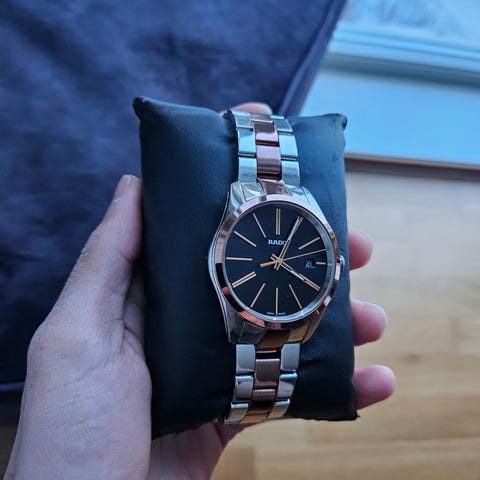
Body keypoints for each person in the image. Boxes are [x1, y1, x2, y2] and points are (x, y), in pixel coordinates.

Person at [4, 104, 395, 480]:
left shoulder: (308, 225)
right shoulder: (239, 202)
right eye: (275, 259)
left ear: (334, 263)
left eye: (283, 259)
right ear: (215, 257)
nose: (277, 261)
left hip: (298, 314)